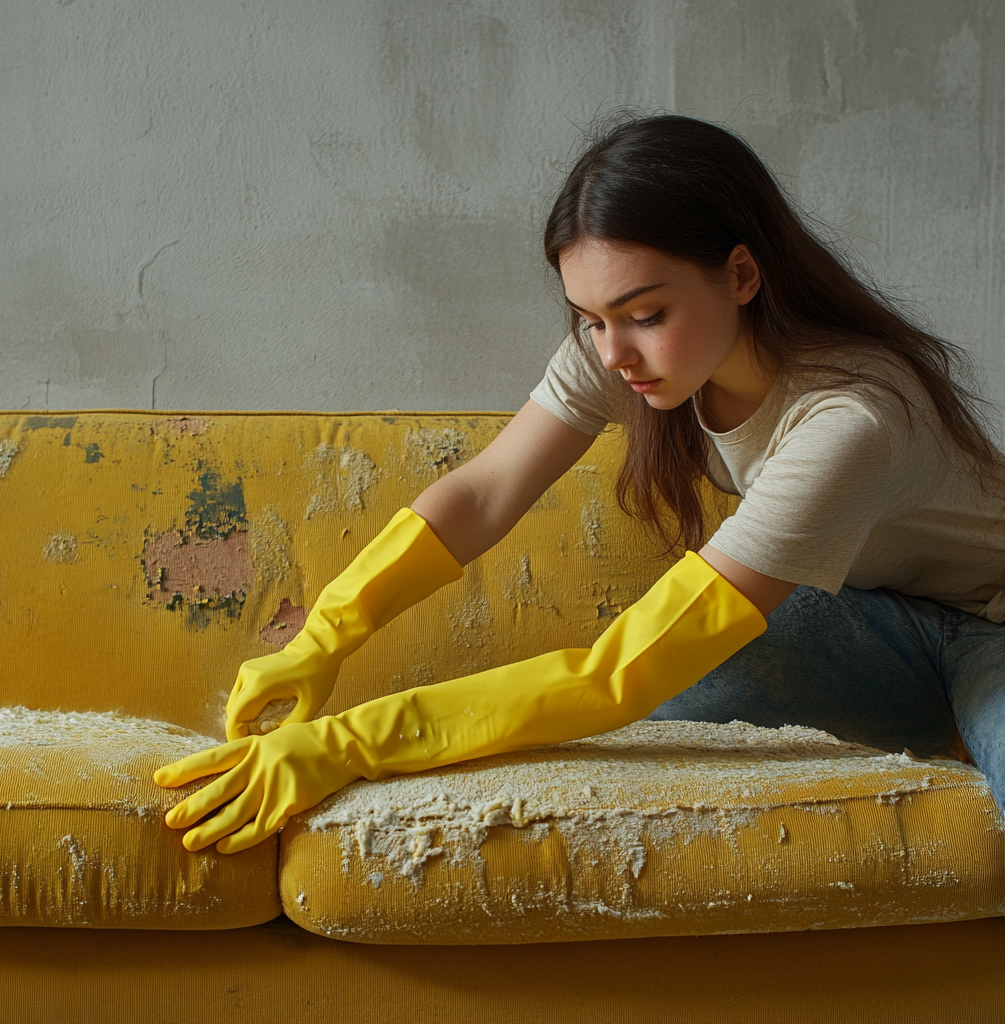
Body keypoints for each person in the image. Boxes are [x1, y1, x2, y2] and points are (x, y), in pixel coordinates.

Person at [154, 114, 1005, 854]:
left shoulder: (850, 421)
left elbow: (611, 675)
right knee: (643, 742)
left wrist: (349, 742)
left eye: (645, 314)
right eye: (590, 319)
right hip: (874, 618)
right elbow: (487, 492)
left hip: (993, 627)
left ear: (743, 276)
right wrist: (322, 638)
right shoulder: (632, 356)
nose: (611, 353)